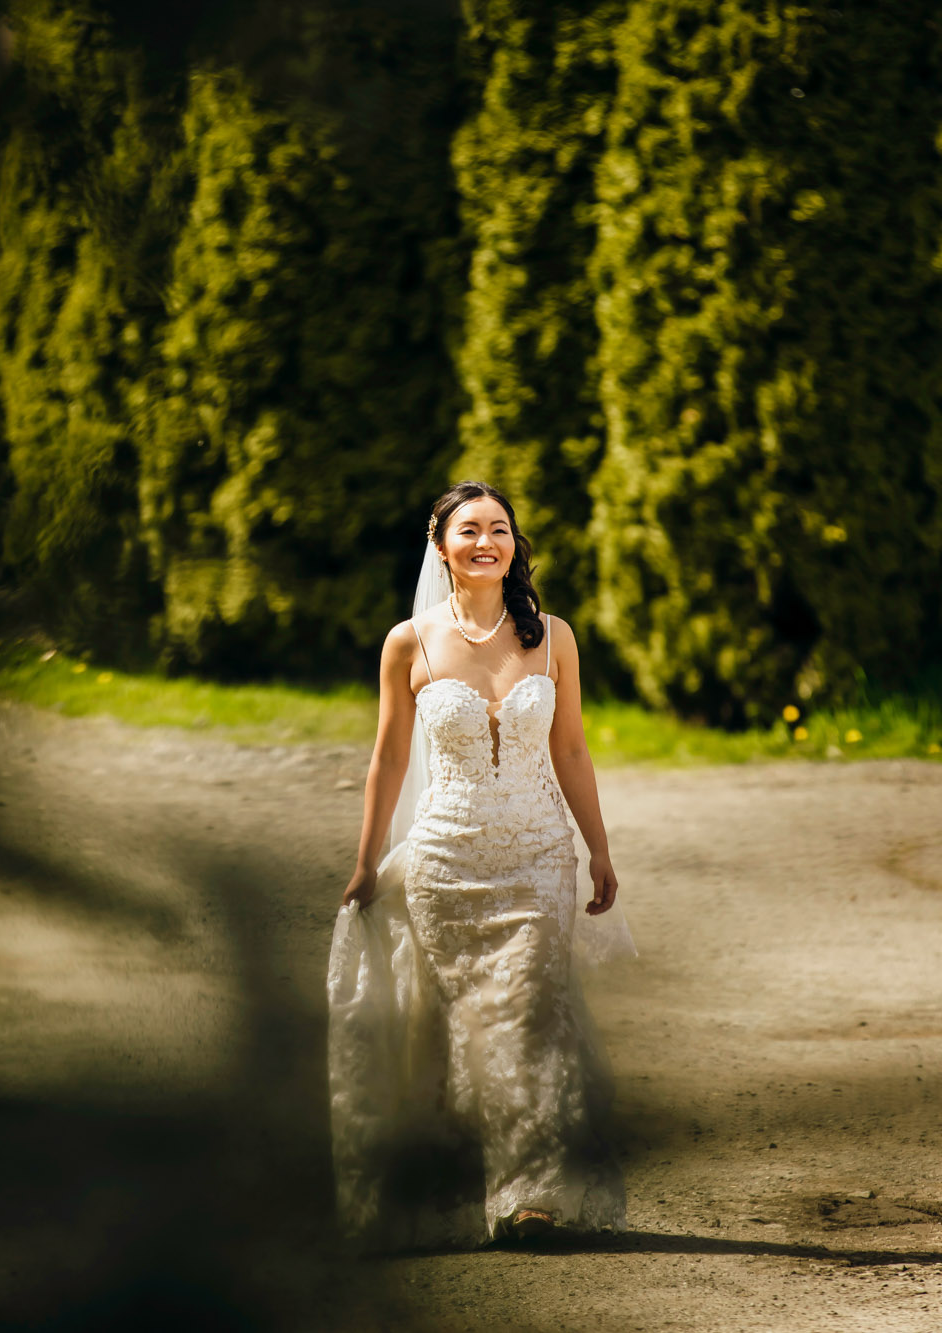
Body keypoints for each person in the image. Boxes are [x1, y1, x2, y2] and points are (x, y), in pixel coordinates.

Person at [326, 480, 635, 1252]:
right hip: (444, 858)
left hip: (538, 855)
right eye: (469, 529)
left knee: (530, 1016)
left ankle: (530, 1194)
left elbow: (571, 748)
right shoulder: (412, 641)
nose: (486, 541)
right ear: (441, 547)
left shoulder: (552, 635)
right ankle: (445, 1189)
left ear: (513, 544)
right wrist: (366, 864)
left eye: (499, 528)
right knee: (454, 1025)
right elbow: (390, 758)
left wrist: (598, 848)